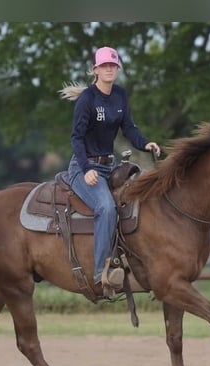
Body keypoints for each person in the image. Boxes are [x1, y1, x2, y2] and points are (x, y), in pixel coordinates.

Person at [62, 46, 160, 295]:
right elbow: (76, 138)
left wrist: (145, 143)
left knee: (138, 200)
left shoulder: (120, 96)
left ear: (117, 69)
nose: (109, 69)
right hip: (84, 166)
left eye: (113, 65)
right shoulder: (87, 100)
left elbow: (130, 128)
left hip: (109, 166)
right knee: (105, 207)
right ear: (95, 70)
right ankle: (101, 273)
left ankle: (132, 265)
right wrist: (85, 169)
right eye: (104, 65)